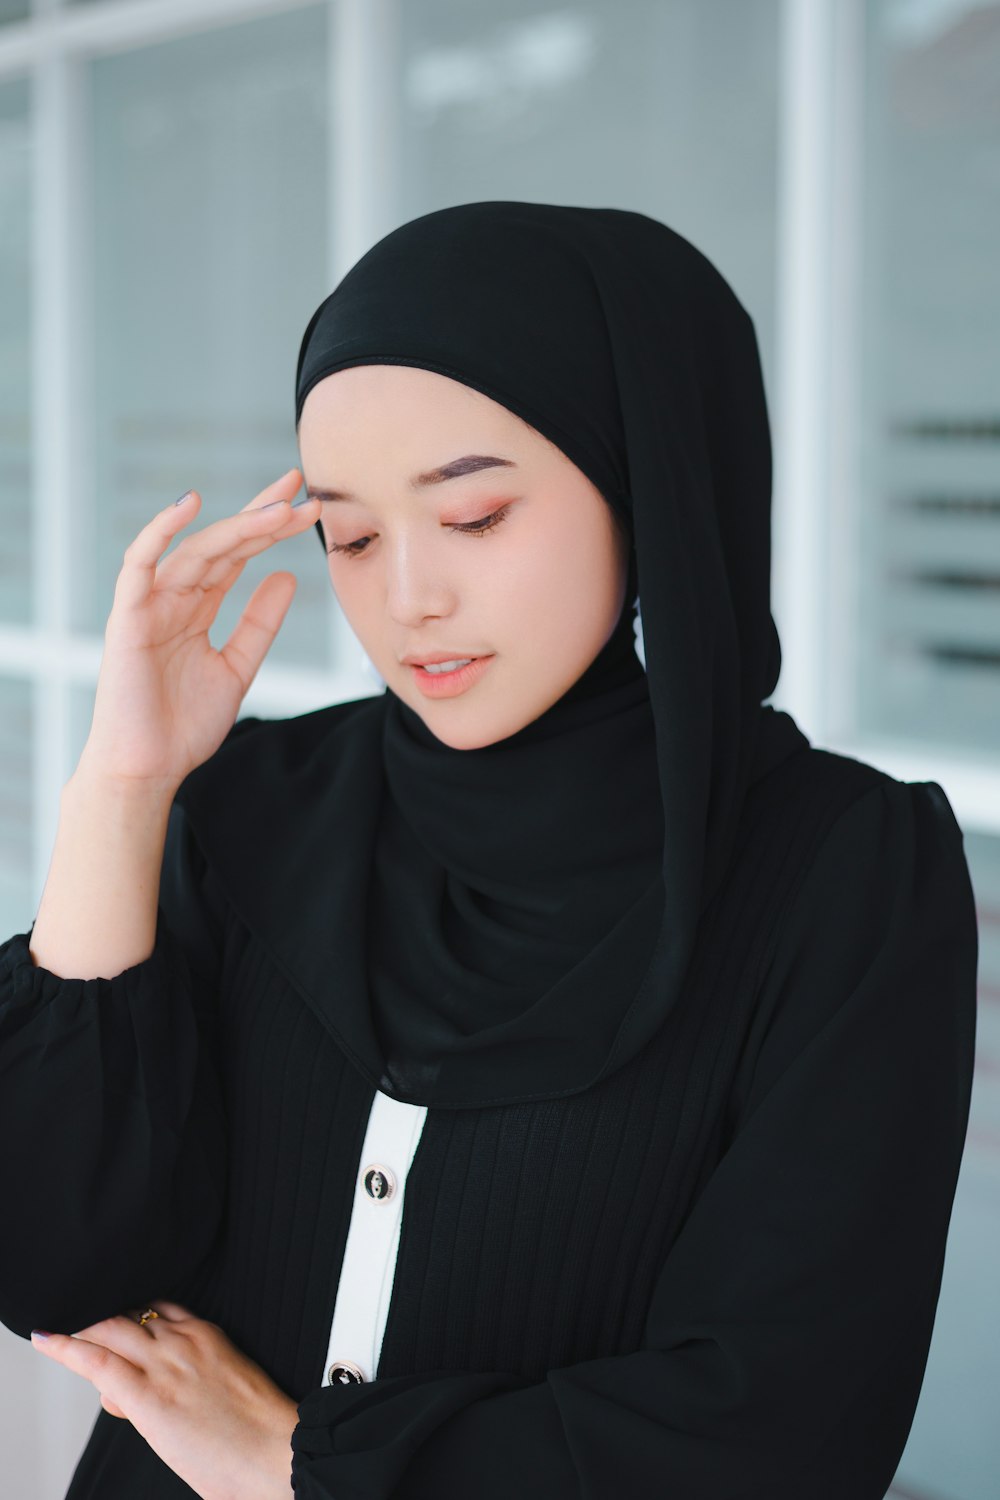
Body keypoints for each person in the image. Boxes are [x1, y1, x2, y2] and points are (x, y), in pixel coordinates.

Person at [0, 201, 979, 1499]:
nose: (407, 596)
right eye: (348, 534)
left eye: (472, 517)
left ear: (647, 477)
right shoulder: (253, 809)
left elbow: (781, 1431)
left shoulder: (849, 880)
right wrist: (121, 786)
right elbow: (55, 1265)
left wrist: (295, 1471)